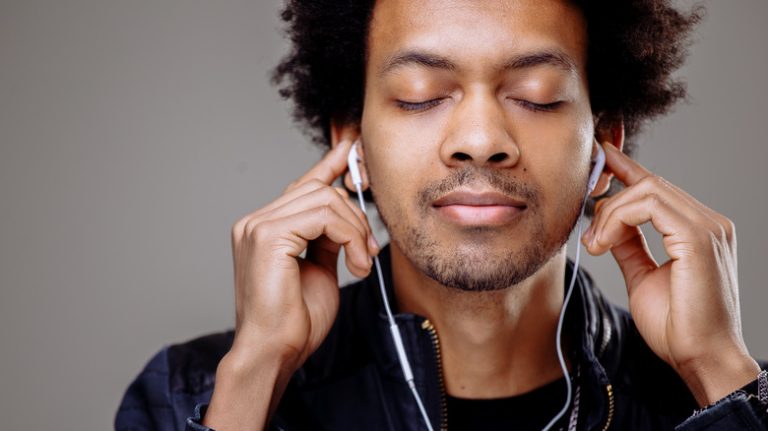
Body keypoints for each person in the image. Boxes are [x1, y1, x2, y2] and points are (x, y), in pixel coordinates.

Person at [116, 0, 768, 430]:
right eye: (420, 96)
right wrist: (256, 371)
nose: (480, 137)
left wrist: (720, 374)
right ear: (352, 145)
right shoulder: (189, 396)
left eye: (536, 96)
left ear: (605, 141)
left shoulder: (712, 399)